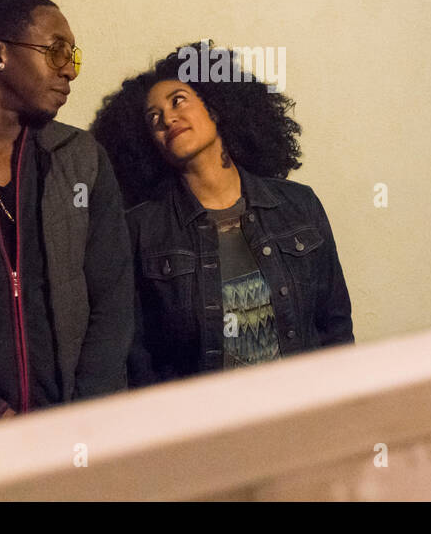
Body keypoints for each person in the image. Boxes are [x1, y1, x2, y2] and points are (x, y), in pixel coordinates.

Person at [90, 42, 354, 386]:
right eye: (153, 118)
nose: (167, 118)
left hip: (305, 414)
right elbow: (140, 358)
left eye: (177, 101)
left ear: (214, 107)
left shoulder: (298, 206)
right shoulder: (141, 230)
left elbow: (335, 326)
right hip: (207, 428)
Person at [0, 0, 133, 418]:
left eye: (74, 55)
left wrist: (85, 415)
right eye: (55, 51)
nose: (70, 70)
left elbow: (113, 299)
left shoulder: (80, 156)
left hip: (73, 428)